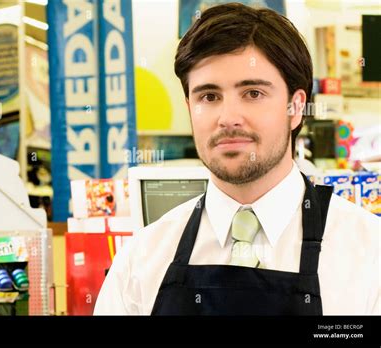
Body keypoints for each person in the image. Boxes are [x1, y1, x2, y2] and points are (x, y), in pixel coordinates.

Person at [94, 3, 379, 315]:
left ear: (296, 107)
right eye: (209, 96)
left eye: (253, 93)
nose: (228, 118)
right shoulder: (140, 261)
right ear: (189, 107)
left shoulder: (369, 254)